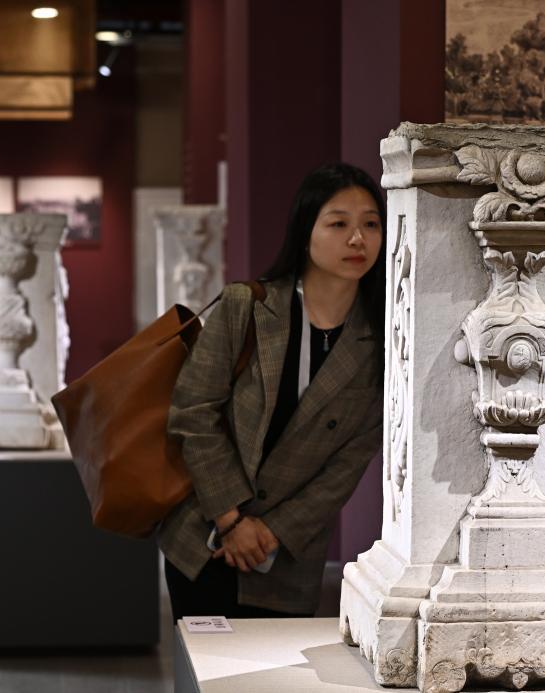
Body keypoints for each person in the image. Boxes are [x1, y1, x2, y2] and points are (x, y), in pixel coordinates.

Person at [159, 163, 386, 620]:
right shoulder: (247, 305)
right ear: (305, 232)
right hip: (205, 540)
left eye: (371, 224)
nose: (357, 239)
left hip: (285, 559)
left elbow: (350, 462)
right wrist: (231, 521)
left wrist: (269, 531)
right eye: (338, 223)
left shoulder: (382, 338)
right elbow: (193, 413)